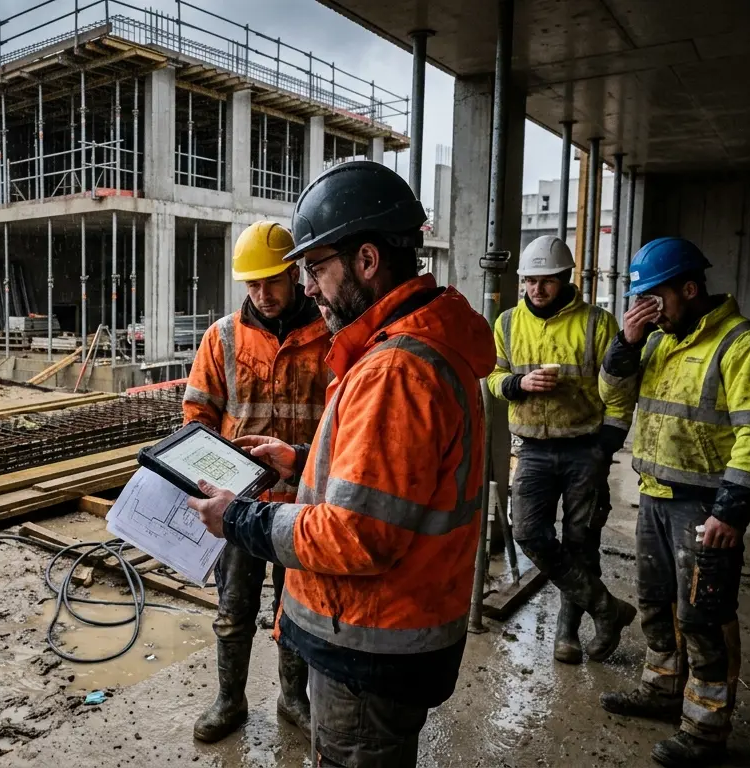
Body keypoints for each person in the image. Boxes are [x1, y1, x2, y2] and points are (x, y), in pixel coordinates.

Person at [187, 161, 493, 766]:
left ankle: (288, 697)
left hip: (371, 639)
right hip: (397, 624)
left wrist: (241, 519)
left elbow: (358, 534)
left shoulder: (394, 370)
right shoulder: (416, 344)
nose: (307, 286)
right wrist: (299, 462)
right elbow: (382, 483)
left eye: (317, 267)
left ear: (367, 261)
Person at [597, 237, 750, 768]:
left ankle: (705, 730)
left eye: (655, 300)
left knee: (704, 617)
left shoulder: (744, 345)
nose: (648, 312)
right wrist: (627, 343)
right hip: (655, 496)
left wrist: (731, 511)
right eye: (640, 303)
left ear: (689, 287)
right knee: (657, 606)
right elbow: (613, 396)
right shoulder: (658, 341)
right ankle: (661, 693)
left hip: (705, 507)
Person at [184, 220, 332, 741]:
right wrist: (201, 480)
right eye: (251, 284)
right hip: (239, 506)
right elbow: (198, 414)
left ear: (294, 274)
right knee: (233, 610)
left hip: (303, 505)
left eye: (271, 281)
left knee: (295, 612)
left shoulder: (331, 335)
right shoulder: (222, 336)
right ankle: (230, 700)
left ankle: (293, 700)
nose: (261, 294)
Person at [487, 235, 636, 664]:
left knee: (581, 542)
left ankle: (567, 633)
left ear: (566, 278)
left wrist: (607, 446)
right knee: (529, 532)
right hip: (532, 448)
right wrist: (519, 384)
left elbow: (621, 391)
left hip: (583, 446)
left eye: (546, 281)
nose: (537, 289)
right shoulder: (508, 323)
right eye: (530, 281)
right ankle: (607, 609)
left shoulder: (597, 323)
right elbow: (494, 376)